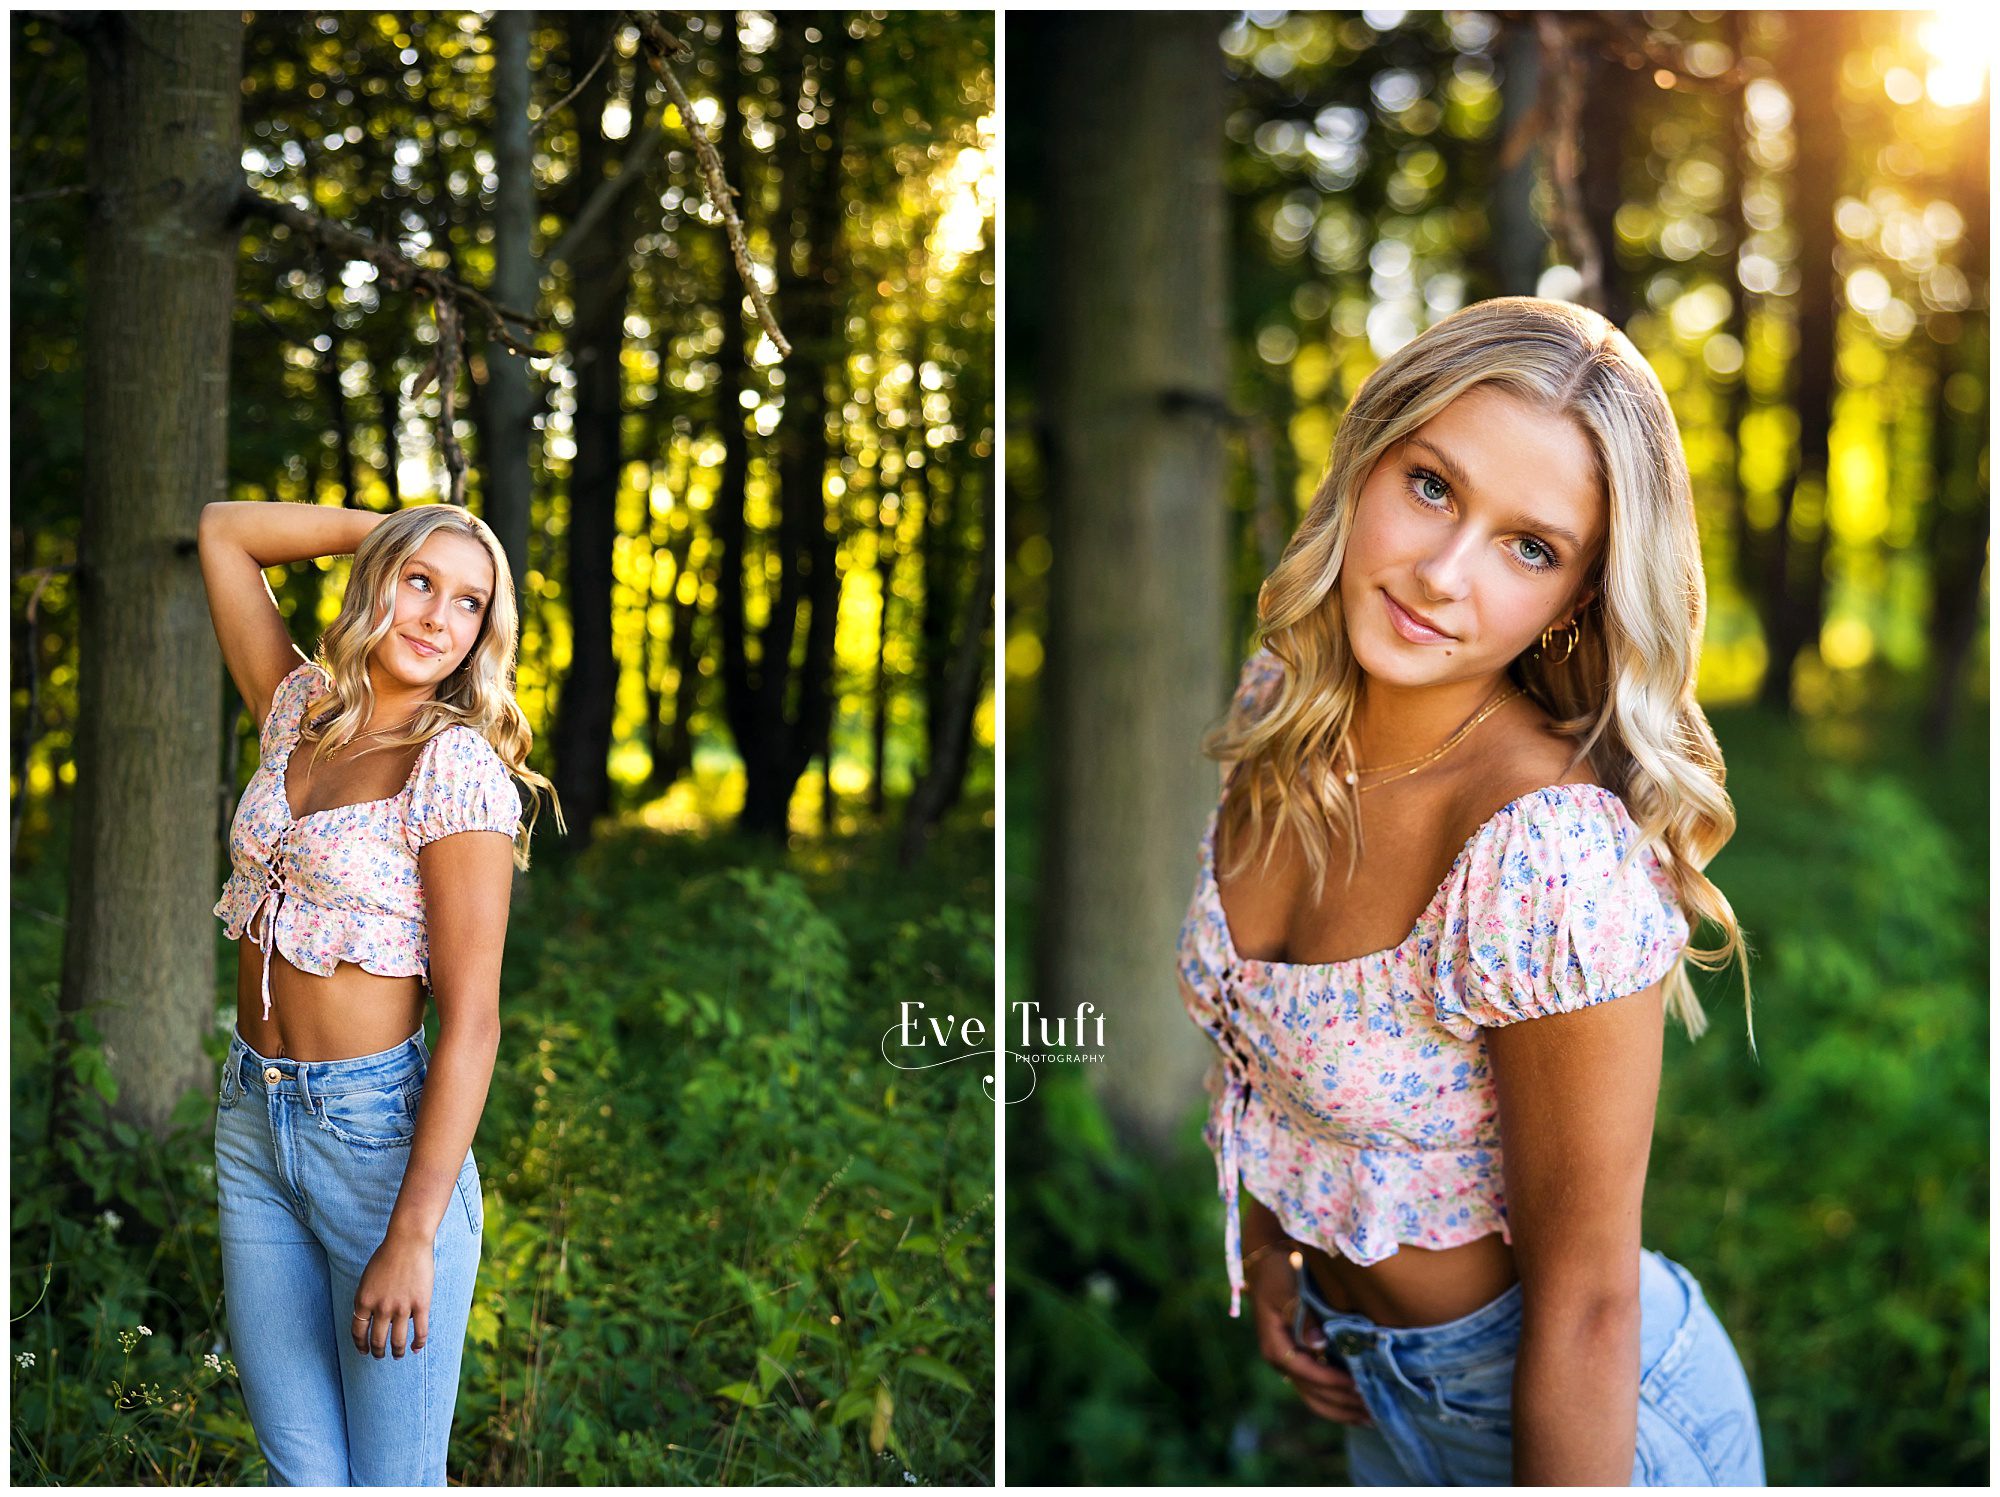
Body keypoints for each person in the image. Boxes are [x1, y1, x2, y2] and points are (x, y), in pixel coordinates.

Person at [1177, 297, 1765, 1485]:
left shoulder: (1537, 852)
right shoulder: (1276, 707)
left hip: (1569, 1419)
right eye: (1432, 486)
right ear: (1365, 458)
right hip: (1373, 1383)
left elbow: (1590, 1302)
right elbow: (1263, 1048)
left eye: (1528, 547)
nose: (1441, 574)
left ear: (1576, 599)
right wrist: (1276, 1246)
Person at [198, 499, 558, 1485]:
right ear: (378, 578)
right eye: (417, 582)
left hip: (380, 1145)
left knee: (393, 1484)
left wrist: (413, 1236)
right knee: (302, 1476)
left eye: (469, 602)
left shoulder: (455, 769)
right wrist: (416, 528)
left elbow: (473, 1021)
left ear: (485, 633)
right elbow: (224, 531)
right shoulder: (300, 708)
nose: (438, 616)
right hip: (253, 1118)